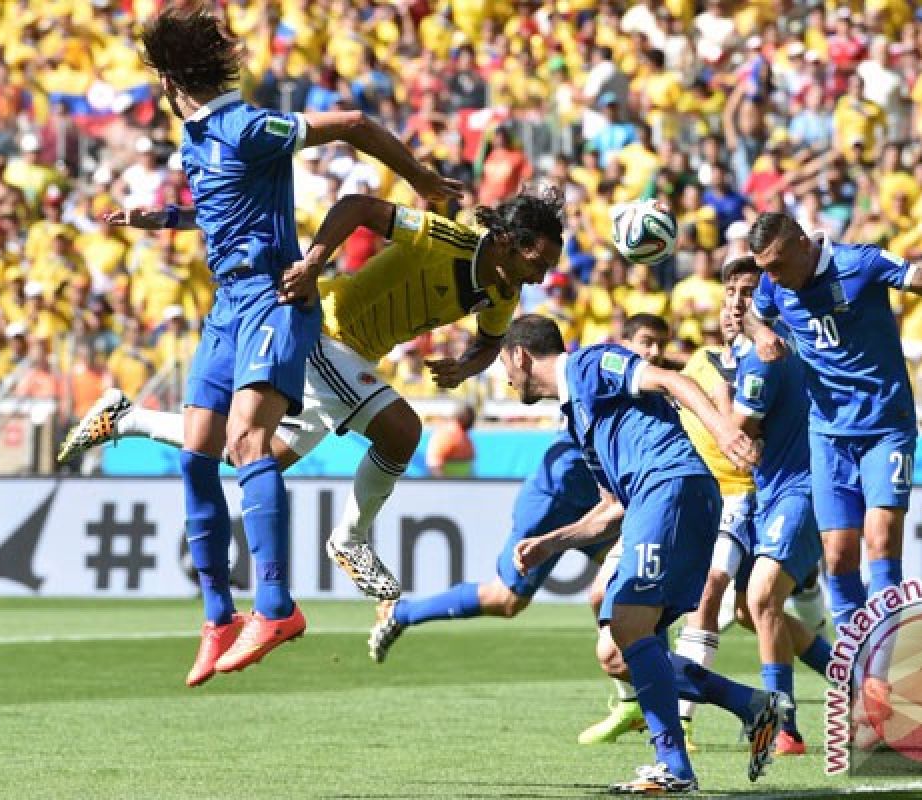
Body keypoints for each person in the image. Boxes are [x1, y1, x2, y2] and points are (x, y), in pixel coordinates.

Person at [90, 4, 460, 689]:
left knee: (248, 445)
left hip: (274, 299)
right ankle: (217, 616)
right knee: (199, 453)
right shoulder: (197, 139)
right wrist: (160, 218)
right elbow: (219, 205)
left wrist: (422, 181)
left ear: (172, 81)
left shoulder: (248, 125)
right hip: (226, 307)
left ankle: (277, 607)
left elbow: (352, 124)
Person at [60, 187, 562, 635]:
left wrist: (463, 368)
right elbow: (358, 206)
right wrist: (315, 263)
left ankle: (125, 418)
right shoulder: (446, 237)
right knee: (403, 431)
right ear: (505, 242)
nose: (542, 275)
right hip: (325, 328)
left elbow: (490, 341)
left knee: (254, 456)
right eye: (537, 259)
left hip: (354, 358)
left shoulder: (503, 291)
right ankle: (351, 538)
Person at [502, 314, 783, 794]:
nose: (504, 379)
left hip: (670, 486)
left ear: (520, 356)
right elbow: (611, 509)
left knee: (627, 622)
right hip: (660, 500)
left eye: (503, 366)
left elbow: (672, 379)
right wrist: (552, 543)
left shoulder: (589, 364)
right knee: (618, 652)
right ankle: (753, 706)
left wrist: (722, 432)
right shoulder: (579, 420)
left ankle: (674, 766)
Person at [743, 212, 922, 633]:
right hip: (827, 432)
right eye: (765, 268)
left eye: (779, 264)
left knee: (880, 539)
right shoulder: (772, 283)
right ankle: (856, 662)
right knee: (838, 554)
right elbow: (752, 315)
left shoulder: (860, 264)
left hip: (885, 425)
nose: (773, 277)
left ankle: (881, 661)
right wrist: (759, 334)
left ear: (804, 244)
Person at [367, 314, 668, 667]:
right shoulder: (597, 371)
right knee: (506, 600)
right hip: (554, 500)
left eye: (661, 344)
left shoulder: (635, 385)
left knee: (637, 584)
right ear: (624, 346)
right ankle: (402, 613)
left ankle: (639, 690)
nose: (655, 352)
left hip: (602, 504)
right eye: (646, 342)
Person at [724, 256, 832, 756]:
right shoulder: (752, 355)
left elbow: (739, 434)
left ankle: (783, 726)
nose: (741, 301)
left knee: (763, 597)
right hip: (772, 492)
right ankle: (851, 677)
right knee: (752, 610)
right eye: (734, 292)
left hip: (804, 487)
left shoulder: (766, 356)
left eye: (751, 291)